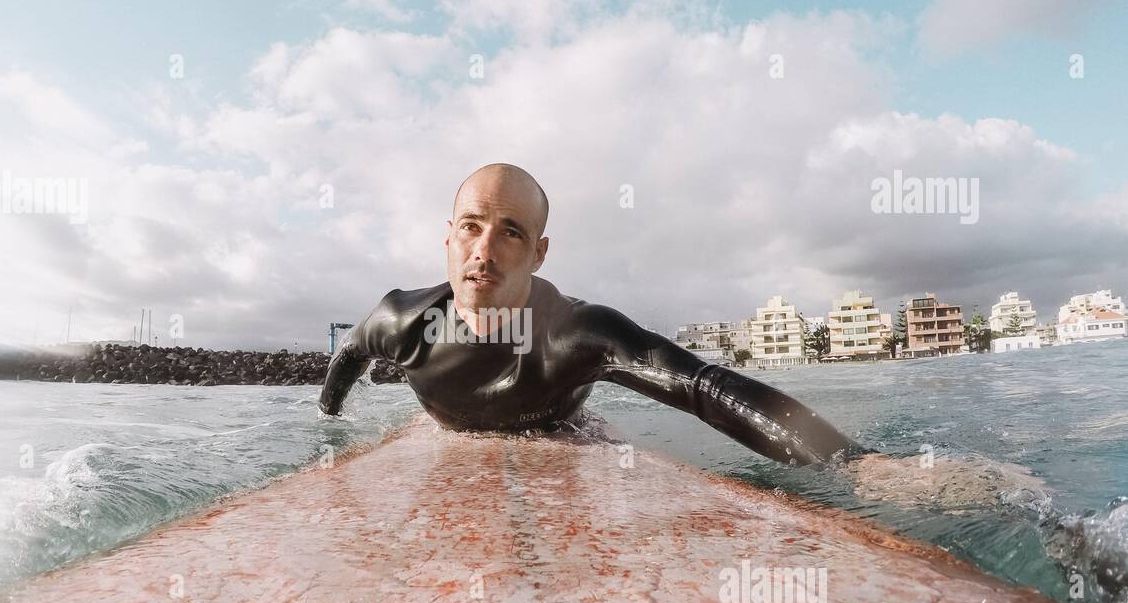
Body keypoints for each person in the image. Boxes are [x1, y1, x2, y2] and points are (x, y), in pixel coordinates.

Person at [319, 164, 865, 466]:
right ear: (448, 236)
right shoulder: (402, 320)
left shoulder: (576, 333)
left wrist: (850, 462)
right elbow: (348, 356)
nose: (484, 250)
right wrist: (330, 426)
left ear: (539, 252)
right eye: (471, 225)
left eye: (511, 231)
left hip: (563, 432)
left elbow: (703, 387)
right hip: (448, 431)